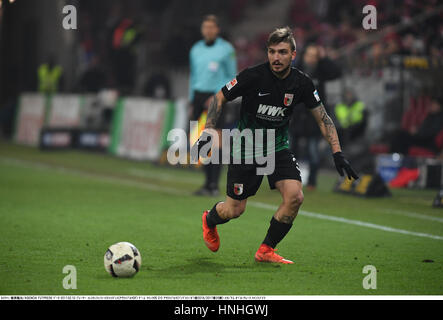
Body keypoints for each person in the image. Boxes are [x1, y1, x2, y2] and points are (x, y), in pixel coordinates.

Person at [192, 27, 358, 264]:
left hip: (277, 147)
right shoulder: (253, 76)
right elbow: (220, 97)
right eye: (271, 52)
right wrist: (208, 130)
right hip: (246, 148)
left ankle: (266, 249)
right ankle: (209, 220)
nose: (276, 57)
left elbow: (323, 118)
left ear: (293, 54)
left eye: (282, 52)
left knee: (295, 197)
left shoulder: (302, 83)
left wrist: (337, 151)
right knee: (235, 210)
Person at [189, 15, 237, 196]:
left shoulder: (226, 49)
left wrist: (218, 96)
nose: (208, 30)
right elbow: (193, 76)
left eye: (211, 27)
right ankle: (206, 183)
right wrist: (191, 98)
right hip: (198, 96)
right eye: (205, 27)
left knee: (215, 141)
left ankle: (213, 185)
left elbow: (231, 77)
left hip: (216, 97)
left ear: (217, 29)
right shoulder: (196, 49)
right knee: (199, 142)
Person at [291, 44, 342, 190]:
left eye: (315, 56)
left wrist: (325, 58)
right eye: (309, 55)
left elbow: (337, 73)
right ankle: (289, 180)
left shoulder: (322, 70)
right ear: (304, 55)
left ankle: (312, 182)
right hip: (297, 116)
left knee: (313, 151)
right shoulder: (297, 69)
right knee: (290, 151)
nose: (311, 59)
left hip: (314, 117)